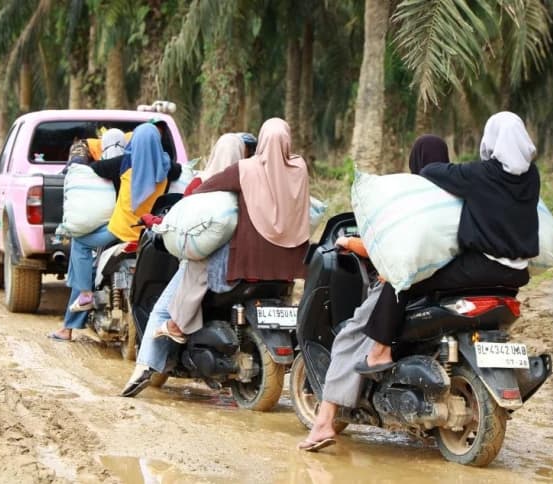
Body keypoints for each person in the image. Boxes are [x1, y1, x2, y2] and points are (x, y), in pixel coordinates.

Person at [121, 118, 310, 396]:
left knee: (170, 299)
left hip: (244, 264)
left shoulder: (245, 170)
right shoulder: (300, 169)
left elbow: (201, 192)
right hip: (288, 268)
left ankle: (147, 363)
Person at [299, 134, 451, 452]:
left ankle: (324, 422)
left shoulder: (414, 198)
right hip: (448, 287)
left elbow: (389, 248)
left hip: (404, 286)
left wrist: (348, 242)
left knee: (349, 338)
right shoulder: (454, 197)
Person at [357, 112, 539, 373]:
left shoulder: (481, 174)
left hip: (481, 267)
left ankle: (379, 352)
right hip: (518, 273)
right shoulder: (532, 177)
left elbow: (431, 170)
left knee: (403, 281)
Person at [50, 123, 181, 341]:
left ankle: (80, 304)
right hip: (150, 233)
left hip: (120, 232)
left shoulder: (124, 164)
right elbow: (180, 170)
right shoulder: (168, 167)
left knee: (80, 244)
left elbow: (95, 168)